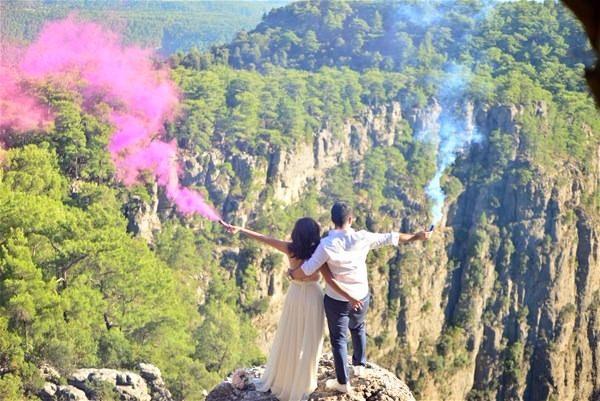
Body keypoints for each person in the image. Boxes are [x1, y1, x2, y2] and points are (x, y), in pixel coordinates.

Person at [289, 202, 432, 394]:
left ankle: (342, 382)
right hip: (361, 296)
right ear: (350, 219)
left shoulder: (326, 245)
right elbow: (393, 237)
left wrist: (291, 273)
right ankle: (360, 366)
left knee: (339, 340)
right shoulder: (363, 237)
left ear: (333, 220)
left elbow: (307, 270)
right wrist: (417, 236)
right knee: (358, 327)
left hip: (336, 301)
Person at [219, 217, 361, 401]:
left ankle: (285, 378)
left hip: (295, 295)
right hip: (313, 297)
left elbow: (265, 238)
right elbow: (331, 277)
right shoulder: (319, 251)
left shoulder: (290, 248)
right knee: (310, 339)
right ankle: (303, 381)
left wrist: (240, 229)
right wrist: (350, 296)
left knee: (290, 336)